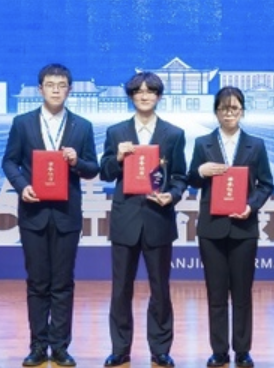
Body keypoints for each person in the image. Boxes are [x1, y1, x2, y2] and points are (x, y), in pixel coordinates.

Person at [1, 64, 100, 368]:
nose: (56, 90)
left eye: (61, 85)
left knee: (63, 283)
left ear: (70, 89)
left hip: (67, 215)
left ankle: (60, 347)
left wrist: (77, 161)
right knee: (37, 282)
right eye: (50, 84)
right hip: (34, 213)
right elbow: (9, 162)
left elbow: (93, 168)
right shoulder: (22, 123)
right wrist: (22, 186)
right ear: (40, 89)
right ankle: (37, 346)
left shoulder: (82, 126)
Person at [99, 72, 187, 368]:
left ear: (159, 96)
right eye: (139, 91)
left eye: (150, 91)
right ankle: (120, 348)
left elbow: (180, 176)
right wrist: (117, 158)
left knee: (160, 288)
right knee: (120, 288)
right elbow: (105, 172)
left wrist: (172, 195)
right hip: (125, 219)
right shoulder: (116, 132)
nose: (145, 96)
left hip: (158, 218)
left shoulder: (173, 134)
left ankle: (160, 349)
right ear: (131, 96)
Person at [187, 87, 274, 368]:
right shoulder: (203, 143)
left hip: (243, 227)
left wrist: (251, 205)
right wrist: (201, 172)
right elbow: (192, 179)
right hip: (211, 228)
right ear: (216, 111)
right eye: (223, 109)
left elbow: (266, 184)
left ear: (242, 111)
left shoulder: (255, 145)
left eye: (234, 108)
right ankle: (219, 351)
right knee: (216, 293)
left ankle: (242, 350)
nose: (229, 114)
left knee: (242, 293)